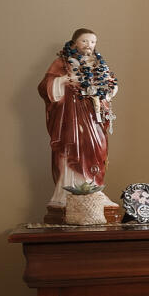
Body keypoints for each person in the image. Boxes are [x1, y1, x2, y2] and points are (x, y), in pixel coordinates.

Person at [40, 29, 116, 212]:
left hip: (93, 115)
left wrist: (108, 87)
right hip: (71, 115)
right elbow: (45, 87)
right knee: (72, 146)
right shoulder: (62, 63)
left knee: (98, 147)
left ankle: (94, 189)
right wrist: (65, 80)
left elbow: (109, 85)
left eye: (92, 42)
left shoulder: (98, 64)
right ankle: (66, 193)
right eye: (84, 41)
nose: (89, 45)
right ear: (74, 43)